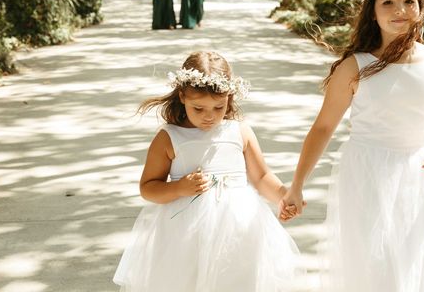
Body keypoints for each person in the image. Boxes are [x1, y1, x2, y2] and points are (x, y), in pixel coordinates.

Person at [280, 0, 424, 292]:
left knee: (417, 264)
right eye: (388, 2)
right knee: (373, 267)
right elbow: (323, 128)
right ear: (373, 12)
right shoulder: (355, 67)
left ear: (422, 7)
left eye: (409, 0)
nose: (400, 9)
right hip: (367, 173)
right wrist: (297, 185)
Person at [114, 51, 301, 291]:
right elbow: (148, 187)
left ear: (229, 98)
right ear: (182, 96)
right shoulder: (169, 137)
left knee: (238, 280)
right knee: (188, 281)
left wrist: (283, 195)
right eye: (198, 108)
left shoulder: (239, 131)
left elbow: (262, 177)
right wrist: (179, 187)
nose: (209, 117)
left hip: (240, 226)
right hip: (185, 232)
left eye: (218, 107)